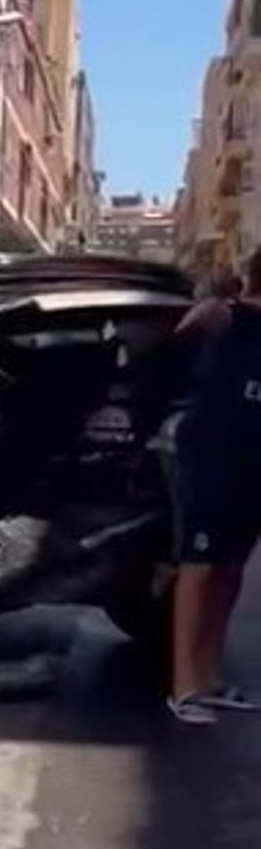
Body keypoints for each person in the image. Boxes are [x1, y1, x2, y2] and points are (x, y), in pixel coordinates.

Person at [168, 246, 261, 723]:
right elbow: (189, 330)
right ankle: (184, 686)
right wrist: (211, 305)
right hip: (213, 458)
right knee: (200, 567)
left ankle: (210, 678)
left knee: (229, 570)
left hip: (253, 465)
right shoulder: (227, 316)